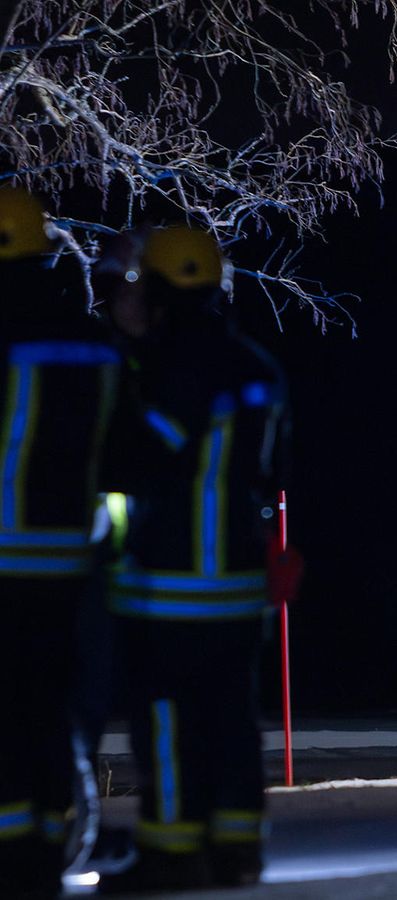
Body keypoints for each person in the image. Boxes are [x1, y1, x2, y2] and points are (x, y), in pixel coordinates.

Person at [97, 227, 290, 893]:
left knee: (170, 723)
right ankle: (237, 848)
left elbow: (138, 455)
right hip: (236, 581)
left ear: (158, 288)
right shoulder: (255, 366)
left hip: (173, 581)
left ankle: (173, 852)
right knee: (233, 721)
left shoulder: (181, 367)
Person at [0, 188, 122, 898]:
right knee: (52, 713)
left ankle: (15, 850)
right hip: (73, 563)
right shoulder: (90, 343)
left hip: (6, 556)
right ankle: (48, 842)